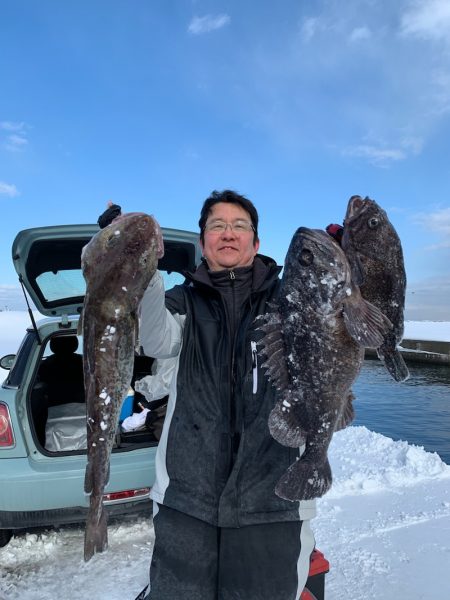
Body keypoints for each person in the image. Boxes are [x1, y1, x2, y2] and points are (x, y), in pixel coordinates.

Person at [105, 189, 314, 600]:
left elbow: (334, 321)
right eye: (217, 226)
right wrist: (134, 258)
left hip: (274, 503)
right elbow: (151, 337)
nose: (228, 234)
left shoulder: (289, 303)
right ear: (203, 243)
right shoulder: (183, 302)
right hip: (187, 505)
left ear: (256, 242)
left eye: (239, 226)